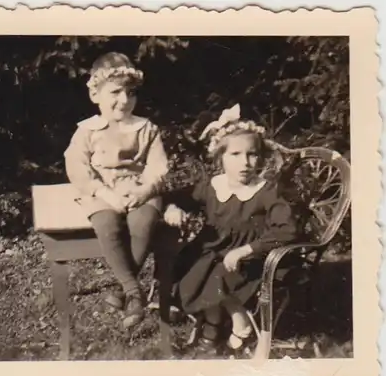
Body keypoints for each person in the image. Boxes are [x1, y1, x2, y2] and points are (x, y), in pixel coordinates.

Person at [164, 104, 298, 350]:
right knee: (191, 265)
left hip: (253, 257)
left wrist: (246, 249)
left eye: (252, 154)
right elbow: (179, 196)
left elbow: (286, 229)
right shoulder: (214, 186)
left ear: (260, 157)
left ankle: (240, 324)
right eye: (235, 155)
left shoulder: (265, 191)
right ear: (220, 158)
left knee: (218, 271)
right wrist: (172, 207)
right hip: (216, 249)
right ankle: (214, 319)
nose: (245, 163)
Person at [64, 52, 169, 329]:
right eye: (115, 92)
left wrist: (145, 190)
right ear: (95, 95)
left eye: (131, 93)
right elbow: (76, 165)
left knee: (143, 222)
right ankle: (134, 292)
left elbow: (158, 166)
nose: (124, 100)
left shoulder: (146, 128)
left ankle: (125, 290)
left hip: (138, 190)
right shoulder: (88, 130)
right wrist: (101, 192)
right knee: (106, 223)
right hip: (103, 192)